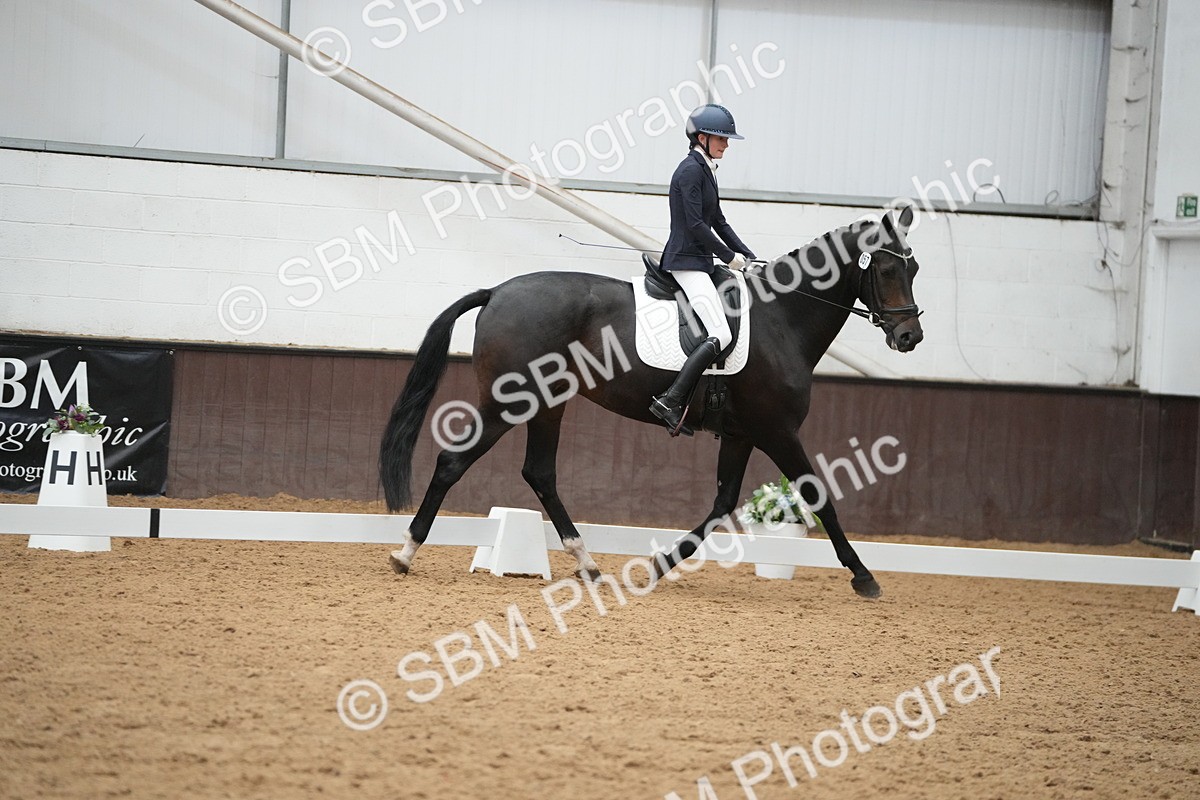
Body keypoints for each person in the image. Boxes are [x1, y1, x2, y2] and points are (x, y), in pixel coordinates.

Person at [649, 103, 756, 436]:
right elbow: (696, 225)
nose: (726, 145)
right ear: (702, 138)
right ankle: (670, 399)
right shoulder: (690, 171)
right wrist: (728, 257)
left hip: (700, 261)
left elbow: (718, 221)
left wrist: (747, 254)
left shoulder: (706, 168)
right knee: (721, 333)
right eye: (721, 139)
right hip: (685, 263)